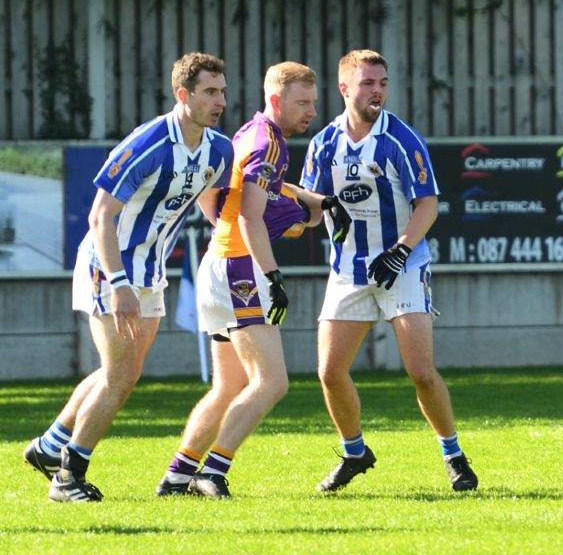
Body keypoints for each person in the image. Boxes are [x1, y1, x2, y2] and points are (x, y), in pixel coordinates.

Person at [23, 53, 234, 502]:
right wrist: (118, 284)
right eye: (210, 92)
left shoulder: (220, 149)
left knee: (123, 371)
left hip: (152, 270)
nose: (220, 101)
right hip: (108, 266)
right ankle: (67, 478)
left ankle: (50, 445)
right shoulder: (149, 142)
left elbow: (210, 201)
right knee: (120, 377)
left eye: (223, 91)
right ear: (184, 95)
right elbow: (101, 216)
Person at [154, 61, 348, 498]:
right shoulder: (268, 143)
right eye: (302, 102)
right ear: (276, 100)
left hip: (217, 263)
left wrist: (309, 200)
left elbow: (218, 194)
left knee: (228, 386)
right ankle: (213, 471)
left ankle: (177, 476)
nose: (311, 111)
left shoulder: (248, 134)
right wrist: (273, 275)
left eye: (314, 103)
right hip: (241, 268)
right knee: (272, 381)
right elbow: (248, 213)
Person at [301, 49, 478, 493]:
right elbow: (308, 209)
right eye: (367, 83)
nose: (377, 90)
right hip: (347, 270)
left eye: (382, 82)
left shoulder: (401, 140)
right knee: (328, 371)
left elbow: (428, 204)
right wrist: (284, 214)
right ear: (345, 89)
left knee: (420, 371)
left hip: (402, 265)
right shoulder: (324, 144)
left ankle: (453, 455)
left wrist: (400, 251)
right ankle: (354, 452)